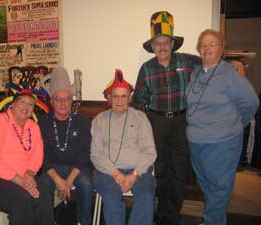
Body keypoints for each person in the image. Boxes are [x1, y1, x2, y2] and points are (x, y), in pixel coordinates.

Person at [131, 11, 200, 225]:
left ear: (172, 43)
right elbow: (139, 101)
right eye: (157, 43)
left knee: (179, 173)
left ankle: (172, 217)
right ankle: (159, 215)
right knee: (159, 171)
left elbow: (211, 63)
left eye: (165, 42)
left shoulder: (188, 62)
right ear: (152, 46)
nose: (162, 47)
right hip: (156, 123)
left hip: (181, 123)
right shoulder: (147, 68)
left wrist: (231, 68)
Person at [185, 29, 259, 225]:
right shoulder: (195, 73)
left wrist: (236, 124)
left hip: (222, 143)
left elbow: (251, 102)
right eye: (203, 45)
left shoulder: (230, 73)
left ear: (222, 49)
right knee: (207, 187)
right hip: (197, 142)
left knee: (219, 189)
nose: (207, 48)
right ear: (198, 49)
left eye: (212, 44)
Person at [0, 89, 54, 225]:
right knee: (22, 200)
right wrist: (21, 181)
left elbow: (37, 155)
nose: (26, 107)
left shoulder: (33, 127)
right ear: (12, 104)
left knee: (44, 195)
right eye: (22, 102)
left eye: (30, 104)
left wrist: (30, 173)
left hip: (22, 177)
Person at [91, 69, 157, 225]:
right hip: (108, 172)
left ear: (130, 98)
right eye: (115, 96)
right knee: (112, 197)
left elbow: (149, 152)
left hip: (138, 171)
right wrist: (116, 174)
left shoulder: (141, 118)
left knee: (147, 194)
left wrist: (134, 175)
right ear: (108, 98)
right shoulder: (99, 120)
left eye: (123, 96)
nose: (119, 101)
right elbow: (96, 154)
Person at [39, 67, 93, 225]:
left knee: (86, 184)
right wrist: (57, 179)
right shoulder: (43, 122)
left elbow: (84, 154)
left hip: (78, 168)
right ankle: (47, 221)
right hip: (52, 167)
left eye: (67, 98)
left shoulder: (83, 121)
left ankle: (84, 221)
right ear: (51, 101)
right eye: (58, 98)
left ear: (72, 100)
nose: (63, 103)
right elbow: (42, 155)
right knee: (43, 184)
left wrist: (68, 181)